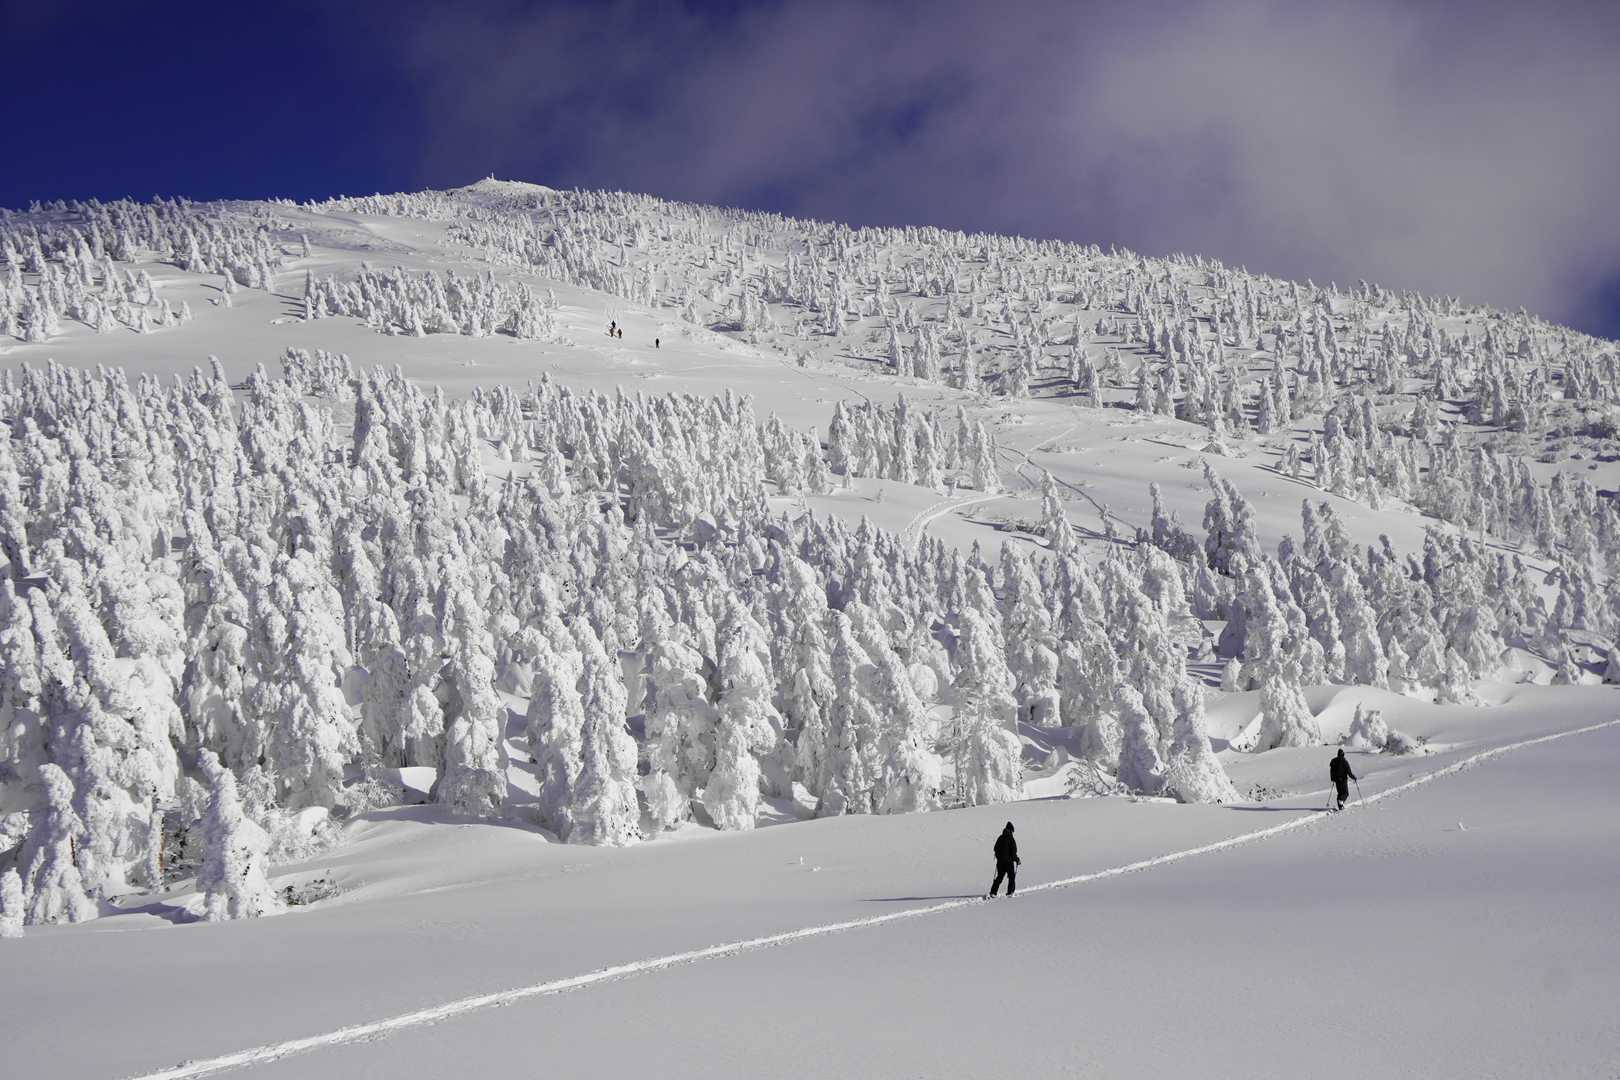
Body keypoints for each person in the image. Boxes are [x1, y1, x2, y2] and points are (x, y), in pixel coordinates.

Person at [988, 822, 1019, 897]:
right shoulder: (1011, 839)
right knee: (1011, 877)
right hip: (1009, 862)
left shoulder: (1000, 837)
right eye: (1012, 831)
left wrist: (999, 858)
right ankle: (1010, 892)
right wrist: (1017, 859)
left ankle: (993, 892)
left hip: (1000, 862)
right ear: (1011, 830)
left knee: (999, 877)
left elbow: (995, 849)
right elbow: (1013, 852)